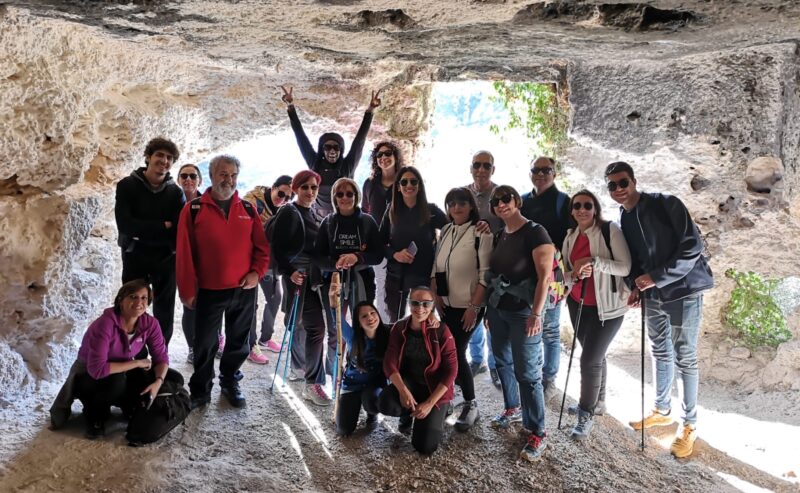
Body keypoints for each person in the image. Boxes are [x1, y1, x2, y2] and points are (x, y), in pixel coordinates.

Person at [605, 161, 713, 458]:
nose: (618, 189)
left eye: (622, 182)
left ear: (634, 180)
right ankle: (662, 409)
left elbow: (692, 247)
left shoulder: (667, 204)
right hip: (654, 294)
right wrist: (637, 286)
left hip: (685, 290)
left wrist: (656, 277)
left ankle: (690, 425)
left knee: (685, 356)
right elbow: (636, 259)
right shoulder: (624, 218)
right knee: (660, 350)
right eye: (612, 185)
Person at [176, 154, 270, 409]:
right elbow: (184, 253)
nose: (228, 180)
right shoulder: (194, 209)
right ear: (212, 175)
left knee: (239, 341)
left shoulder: (249, 209)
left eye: (233, 175)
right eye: (223, 174)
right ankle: (201, 389)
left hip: (243, 289)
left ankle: (230, 381)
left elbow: (262, 249)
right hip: (208, 290)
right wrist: (187, 290)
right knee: (205, 343)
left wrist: (257, 273)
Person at [485, 185, 554, 462]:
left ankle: (538, 430)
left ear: (516, 202)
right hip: (498, 309)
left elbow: (544, 277)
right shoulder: (501, 234)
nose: (501, 204)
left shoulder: (535, 232)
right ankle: (512, 407)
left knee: (527, 372)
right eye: (496, 201)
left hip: (523, 312)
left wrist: (536, 314)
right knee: (502, 360)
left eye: (506, 199)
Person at [50, 280, 170, 439]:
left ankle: (129, 405)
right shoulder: (105, 324)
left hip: (120, 369)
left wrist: (158, 382)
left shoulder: (150, 324)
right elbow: (97, 369)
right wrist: (137, 363)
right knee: (117, 382)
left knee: (172, 377)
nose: (139, 302)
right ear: (121, 299)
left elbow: (161, 357)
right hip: (89, 377)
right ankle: (95, 414)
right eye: (133, 296)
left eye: (144, 298)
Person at [561, 190, 632, 440]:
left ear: (595, 208)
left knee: (589, 360)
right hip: (578, 303)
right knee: (595, 356)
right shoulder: (570, 237)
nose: (582, 209)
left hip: (608, 308)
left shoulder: (609, 230)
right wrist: (571, 278)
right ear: (572, 211)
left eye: (587, 205)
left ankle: (586, 412)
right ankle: (599, 402)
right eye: (577, 205)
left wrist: (594, 261)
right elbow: (568, 272)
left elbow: (625, 267)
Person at [430, 187, 492, 431]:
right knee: (446, 349)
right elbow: (436, 268)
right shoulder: (445, 230)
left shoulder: (480, 232)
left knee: (456, 349)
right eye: (452, 203)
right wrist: (435, 297)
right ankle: (448, 398)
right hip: (445, 304)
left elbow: (486, 275)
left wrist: (474, 307)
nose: (456, 207)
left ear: (471, 206)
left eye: (462, 203)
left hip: (469, 305)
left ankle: (470, 404)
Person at [270, 170, 333, 406]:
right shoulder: (289, 211)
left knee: (305, 325)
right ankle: (312, 383)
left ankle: (300, 368)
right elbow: (278, 246)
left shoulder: (313, 212)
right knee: (315, 327)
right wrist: (290, 272)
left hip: (311, 279)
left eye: (314, 188)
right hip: (300, 278)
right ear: (296, 189)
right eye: (305, 187)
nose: (309, 192)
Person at [115, 137, 184, 347]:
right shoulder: (127, 186)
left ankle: (160, 355)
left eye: (169, 158)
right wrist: (162, 226)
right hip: (135, 254)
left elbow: (177, 230)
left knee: (164, 310)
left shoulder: (175, 192)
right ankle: (128, 350)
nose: (164, 161)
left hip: (165, 258)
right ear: (148, 157)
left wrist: (143, 228)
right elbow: (125, 225)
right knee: (131, 305)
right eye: (160, 155)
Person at [281, 85, 380, 222]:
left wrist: (370, 111)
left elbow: (359, 141)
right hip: (319, 221)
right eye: (327, 147)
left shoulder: (347, 166)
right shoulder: (315, 164)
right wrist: (291, 107)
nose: (332, 151)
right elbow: (300, 137)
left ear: (341, 150)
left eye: (336, 147)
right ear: (322, 150)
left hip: (346, 219)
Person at [379, 286, 457, 455]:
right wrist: (403, 390)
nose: (420, 308)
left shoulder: (441, 331)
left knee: (425, 447)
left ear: (432, 306)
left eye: (425, 304)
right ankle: (407, 414)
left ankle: (443, 409)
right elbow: (389, 362)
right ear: (408, 303)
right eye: (415, 302)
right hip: (411, 383)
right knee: (386, 402)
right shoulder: (400, 328)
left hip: (433, 388)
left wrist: (430, 404)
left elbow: (451, 370)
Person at [519, 156, 571, 400]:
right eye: (536, 170)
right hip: (526, 272)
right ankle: (532, 373)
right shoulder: (522, 200)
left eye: (546, 170)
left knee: (550, 328)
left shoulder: (564, 202)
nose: (540, 174)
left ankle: (549, 376)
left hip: (554, 273)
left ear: (554, 173)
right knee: (529, 324)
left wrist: (569, 276)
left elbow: (572, 239)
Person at [380, 166, 448, 322]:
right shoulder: (391, 211)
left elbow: (453, 229)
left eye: (413, 181)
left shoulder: (430, 210)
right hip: (397, 277)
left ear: (419, 185)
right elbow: (379, 243)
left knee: (425, 323)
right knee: (395, 323)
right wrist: (395, 254)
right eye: (404, 182)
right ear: (398, 187)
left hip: (424, 276)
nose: (409, 185)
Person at [176, 163, 224, 365]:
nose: (188, 179)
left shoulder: (209, 203)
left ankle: (214, 341)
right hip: (181, 259)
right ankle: (193, 348)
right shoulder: (173, 200)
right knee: (190, 305)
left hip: (207, 262)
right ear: (179, 179)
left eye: (192, 176)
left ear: (200, 180)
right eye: (184, 175)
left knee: (215, 304)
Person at [329, 278, 390, 436]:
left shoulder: (388, 333)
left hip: (374, 386)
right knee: (344, 430)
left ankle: (372, 413)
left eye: (372, 313)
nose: (370, 317)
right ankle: (354, 407)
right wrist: (332, 298)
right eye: (364, 316)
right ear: (358, 322)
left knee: (372, 402)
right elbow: (337, 319)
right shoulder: (352, 337)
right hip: (352, 385)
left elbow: (408, 324)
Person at [243, 175, 294, 364]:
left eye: (289, 197)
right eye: (281, 194)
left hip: (268, 261)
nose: (284, 199)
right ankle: (251, 345)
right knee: (251, 303)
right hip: (249, 260)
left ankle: (265, 338)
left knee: (275, 296)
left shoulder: (284, 211)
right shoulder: (252, 202)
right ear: (273, 188)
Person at [464, 150, 502, 388]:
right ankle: (477, 359)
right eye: (477, 165)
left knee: (492, 315)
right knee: (472, 310)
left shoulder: (499, 194)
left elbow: (510, 223)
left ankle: (496, 364)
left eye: (486, 166)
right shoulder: (463, 193)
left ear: (493, 170)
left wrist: (491, 230)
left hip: (495, 261)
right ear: (471, 168)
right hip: (469, 261)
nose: (481, 170)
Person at [316, 177, 384, 308]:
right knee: (335, 325)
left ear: (356, 196)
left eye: (349, 194)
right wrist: (335, 264)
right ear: (334, 198)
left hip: (363, 280)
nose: (344, 197)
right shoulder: (328, 222)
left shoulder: (368, 221)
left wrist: (357, 257)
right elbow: (318, 257)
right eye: (340, 194)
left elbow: (378, 255)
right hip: (334, 280)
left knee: (362, 324)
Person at [362, 141, 402, 321]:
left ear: (395, 156)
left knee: (400, 288)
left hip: (401, 244)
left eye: (388, 154)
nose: (384, 158)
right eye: (379, 155)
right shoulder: (370, 184)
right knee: (381, 287)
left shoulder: (405, 181)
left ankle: (399, 326)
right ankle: (384, 328)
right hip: (377, 244)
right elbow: (364, 212)